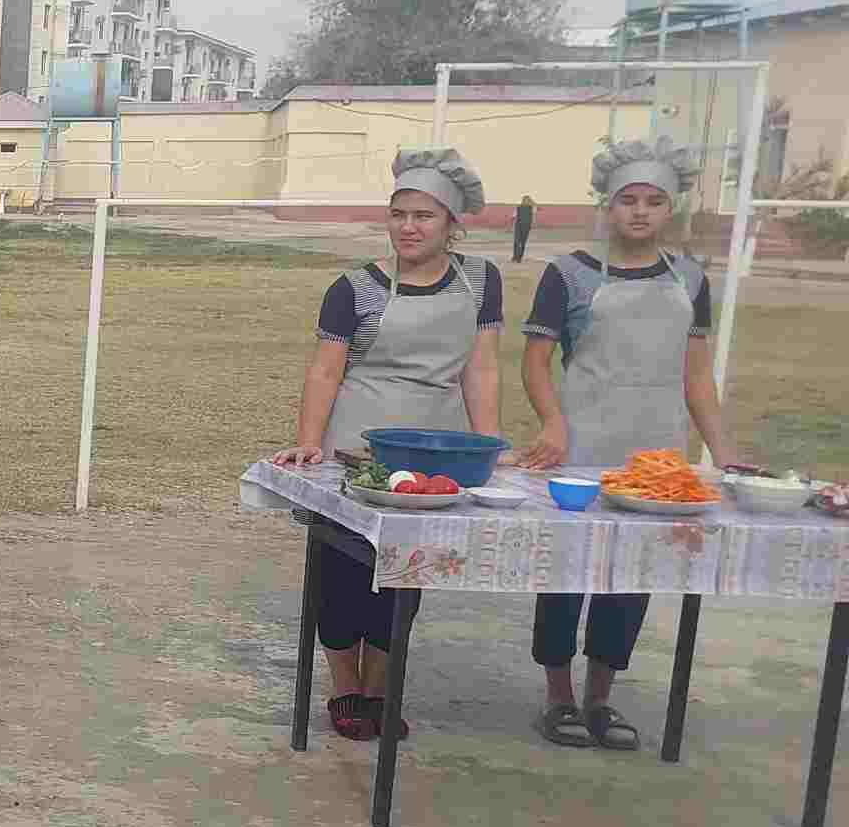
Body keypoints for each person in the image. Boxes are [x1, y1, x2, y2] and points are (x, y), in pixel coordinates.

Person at [516, 137, 744, 751]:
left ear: (671, 209)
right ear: (606, 206)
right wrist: (553, 423)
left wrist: (721, 451)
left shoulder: (691, 278)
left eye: (654, 201)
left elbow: (697, 374)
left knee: (633, 574)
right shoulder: (569, 274)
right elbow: (536, 361)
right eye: (628, 200)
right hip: (584, 447)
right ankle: (558, 693)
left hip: (658, 457)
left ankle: (600, 697)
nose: (640, 212)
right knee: (567, 570)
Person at [270, 148, 502, 741]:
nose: (408, 226)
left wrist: (487, 446)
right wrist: (309, 445)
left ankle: (379, 689)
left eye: (424, 216)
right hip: (358, 456)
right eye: (399, 214)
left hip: (435, 459)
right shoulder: (354, 288)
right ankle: (344, 688)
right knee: (344, 578)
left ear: (452, 223)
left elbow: (481, 370)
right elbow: (325, 372)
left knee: (403, 580)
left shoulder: (482, 282)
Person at [512, 193, 536, 263]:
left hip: (525, 226)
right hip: (519, 225)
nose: (525, 201)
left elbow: (534, 215)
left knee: (522, 242)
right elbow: (514, 216)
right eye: (524, 200)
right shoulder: (518, 207)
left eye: (527, 200)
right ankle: (515, 256)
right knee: (517, 241)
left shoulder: (532, 207)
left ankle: (519, 257)